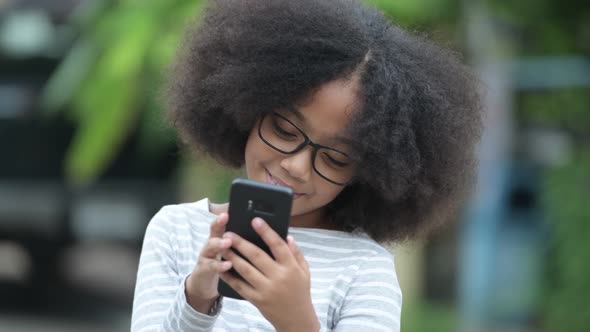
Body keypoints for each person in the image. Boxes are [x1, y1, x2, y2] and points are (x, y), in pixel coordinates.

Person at [131, 0, 482, 331]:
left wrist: (297, 320)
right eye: (284, 130)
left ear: (369, 172)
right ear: (247, 106)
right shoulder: (175, 231)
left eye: (335, 157)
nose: (297, 166)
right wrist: (196, 298)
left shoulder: (365, 268)